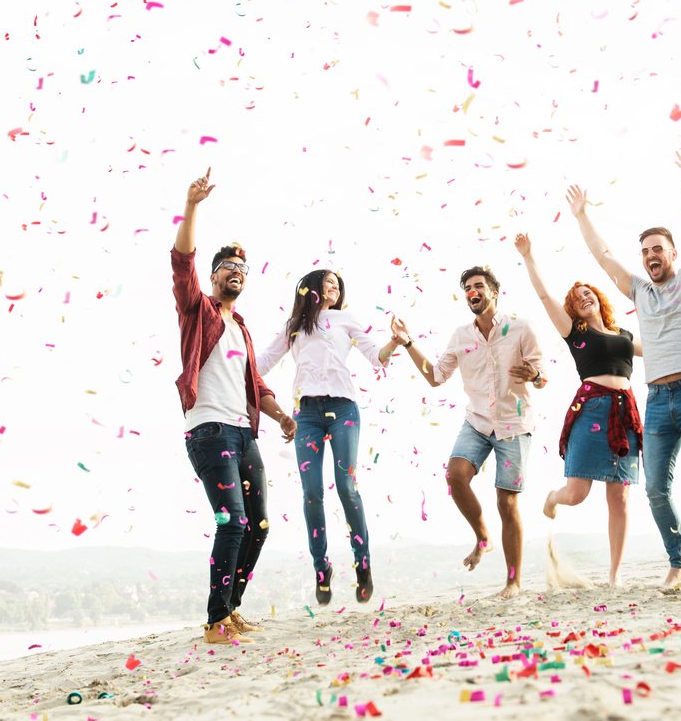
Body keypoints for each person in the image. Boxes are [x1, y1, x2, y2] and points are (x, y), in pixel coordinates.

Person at [569, 146, 681, 589]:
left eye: (658, 249)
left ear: (671, 253)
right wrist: (582, 215)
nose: (651, 255)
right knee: (653, 490)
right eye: (645, 250)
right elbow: (603, 257)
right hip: (658, 401)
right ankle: (677, 561)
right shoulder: (639, 292)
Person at [171, 168, 296, 644]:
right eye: (228, 269)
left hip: (244, 433)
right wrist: (193, 205)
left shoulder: (241, 328)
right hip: (209, 431)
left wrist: (281, 414)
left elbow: (255, 382)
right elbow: (182, 263)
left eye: (242, 271)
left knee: (258, 526)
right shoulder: (197, 310)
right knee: (233, 521)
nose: (236, 274)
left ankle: (231, 608)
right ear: (214, 275)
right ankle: (214, 621)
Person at [389, 266, 547, 599]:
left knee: (507, 501)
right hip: (477, 421)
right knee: (455, 474)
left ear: (494, 291)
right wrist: (407, 344)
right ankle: (482, 536)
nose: (472, 292)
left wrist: (533, 373)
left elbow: (542, 376)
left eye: (478, 286)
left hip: (514, 424)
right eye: (467, 288)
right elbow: (435, 376)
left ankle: (513, 582)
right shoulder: (461, 336)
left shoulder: (521, 328)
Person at [256, 269, 404, 606]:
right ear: (310, 288)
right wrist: (234, 359)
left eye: (338, 282)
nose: (334, 286)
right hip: (306, 414)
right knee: (311, 492)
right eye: (328, 281)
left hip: (344, 409)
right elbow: (263, 361)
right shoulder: (294, 323)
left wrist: (393, 342)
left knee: (346, 486)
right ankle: (321, 569)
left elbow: (376, 357)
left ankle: (362, 563)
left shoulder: (345, 320)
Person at [513, 233, 642, 587]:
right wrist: (528, 255)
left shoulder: (624, 336)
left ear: (599, 298)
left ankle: (614, 575)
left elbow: (661, 349)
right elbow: (543, 296)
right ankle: (553, 498)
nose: (583, 298)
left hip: (624, 413)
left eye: (588, 293)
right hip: (592, 411)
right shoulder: (576, 332)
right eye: (577, 298)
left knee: (620, 497)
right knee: (577, 493)